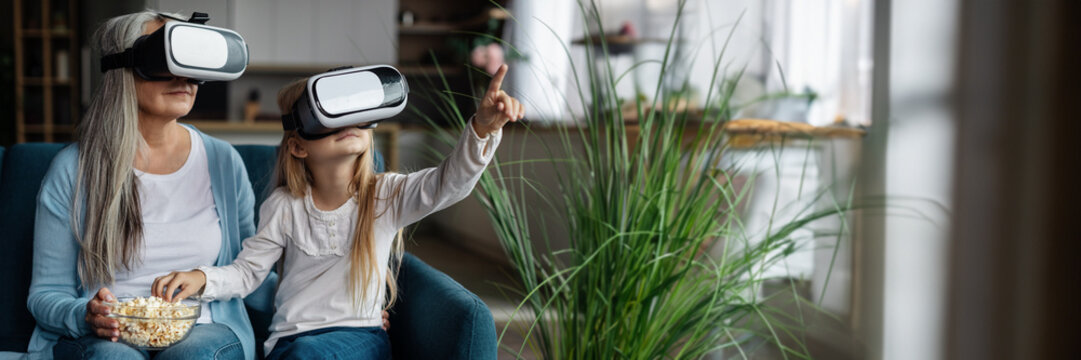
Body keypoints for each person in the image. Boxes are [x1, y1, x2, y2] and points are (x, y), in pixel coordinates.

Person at [150, 64, 525, 359]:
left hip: (360, 338)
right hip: (291, 343)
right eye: (327, 116)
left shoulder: (386, 195)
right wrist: (201, 277)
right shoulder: (284, 205)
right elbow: (248, 273)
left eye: (353, 113)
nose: (345, 124)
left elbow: (450, 183)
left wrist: (482, 128)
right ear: (299, 147)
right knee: (303, 353)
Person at [26, 11, 274, 359]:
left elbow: (249, 275)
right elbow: (45, 294)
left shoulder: (222, 161)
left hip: (203, 328)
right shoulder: (74, 169)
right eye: (162, 58)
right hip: (107, 338)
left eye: (188, 60)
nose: (182, 75)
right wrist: (85, 315)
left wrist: (334, 295)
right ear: (122, 66)